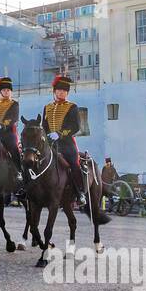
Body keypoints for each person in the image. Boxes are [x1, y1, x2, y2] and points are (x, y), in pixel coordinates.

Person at [41, 75, 85, 205]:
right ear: (54, 91)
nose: (62, 92)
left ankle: (80, 193)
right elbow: (44, 126)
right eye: (59, 90)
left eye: (65, 91)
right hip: (50, 143)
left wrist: (59, 134)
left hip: (66, 143)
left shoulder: (72, 107)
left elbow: (76, 127)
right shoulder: (47, 108)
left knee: (74, 164)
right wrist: (46, 135)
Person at [0, 76, 20, 164]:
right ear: (0, 91)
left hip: (7, 133)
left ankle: (19, 170)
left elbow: (12, 119)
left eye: (8, 90)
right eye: (4, 90)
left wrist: (1, 125)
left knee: (13, 147)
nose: (6, 92)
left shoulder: (14, 104)